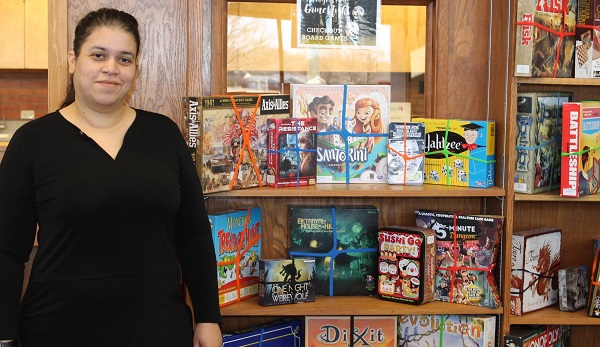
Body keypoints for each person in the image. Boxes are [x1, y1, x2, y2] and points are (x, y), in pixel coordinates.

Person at [0, 8, 222, 347]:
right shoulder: (33, 142)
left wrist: (208, 318)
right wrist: (3, 336)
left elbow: (193, 234)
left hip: (159, 330)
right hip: (57, 331)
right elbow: (7, 251)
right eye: (98, 55)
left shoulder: (163, 134)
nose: (111, 68)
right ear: (73, 60)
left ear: (136, 69)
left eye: (124, 59)